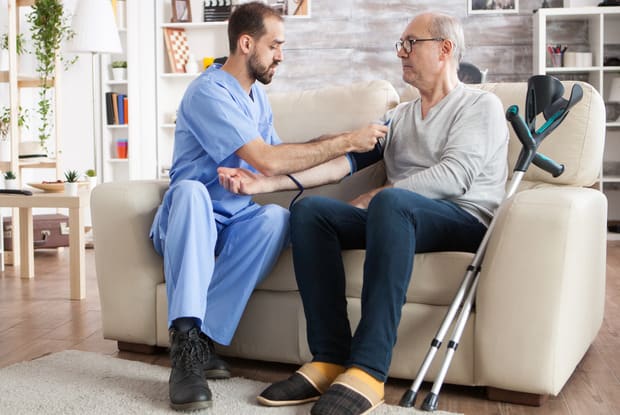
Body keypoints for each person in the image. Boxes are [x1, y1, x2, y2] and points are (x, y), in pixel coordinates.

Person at [218, 11, 509, 415]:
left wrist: (378, 196)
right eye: (400, 45)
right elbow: (341, 164)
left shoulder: (479, 105)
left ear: (444, 49)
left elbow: (456, 177)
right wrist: (264, 183)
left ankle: (369, 371)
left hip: (462, 218)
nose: (401, 53)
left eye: (411, 43)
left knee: (389, 202)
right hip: (398, 217)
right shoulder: (399, 117)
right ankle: (329, 359)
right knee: (312, 214)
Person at [149, 2, 387, 412]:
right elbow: (268, 161)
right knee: (191, 191)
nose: (281, 54)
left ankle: (202, 343)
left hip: (235, 219)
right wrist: (348, 141)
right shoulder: (208, 92)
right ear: (246, 43)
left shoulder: (256, 96)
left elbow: (281, 152)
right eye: (275, 45)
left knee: (277, 217)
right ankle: (185, 347)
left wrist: (346, 138)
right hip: (188, 221)